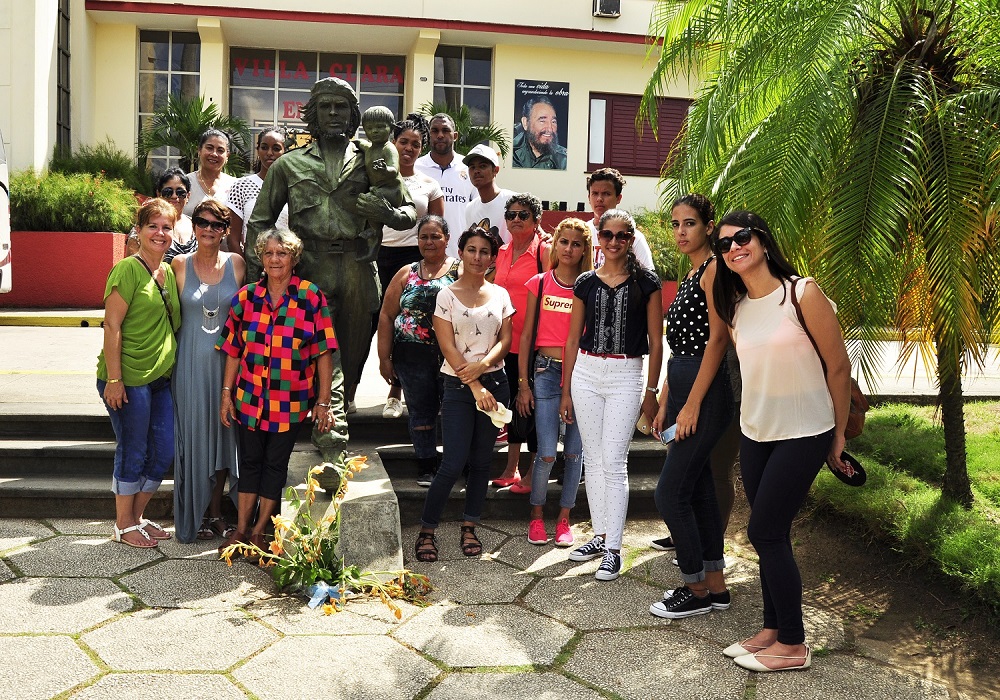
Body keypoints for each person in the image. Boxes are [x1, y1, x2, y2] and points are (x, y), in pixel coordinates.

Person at [246, 77, 416, 479]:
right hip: (310, 268)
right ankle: (332, 447)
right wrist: (261, 281)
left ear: (354, 115)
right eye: (326, 106)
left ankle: (330, 420)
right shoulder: (289, 165)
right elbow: (259, 222)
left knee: (351, 361)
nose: (334, 113)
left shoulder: (374, 158)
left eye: (342, 107)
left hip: (359, 268)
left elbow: (408, 211)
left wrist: (386, 214)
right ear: (314, 114)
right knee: (326, 356)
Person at [712, 211, 852, 672]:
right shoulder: (737, 308)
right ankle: (772, 629)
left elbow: (838, 367)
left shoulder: (801, 293)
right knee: (773, 534)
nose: (734, 247)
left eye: (741, 237)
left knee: (765, 531)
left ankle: (793, 644)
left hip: (805, 430)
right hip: (756, 432)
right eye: (724, 245)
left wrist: (837, 434)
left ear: (763, 240)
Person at [217, 229, 337, 554]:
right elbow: (233, 350)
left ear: (294, 258)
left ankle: (260, 531)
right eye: (269, 253)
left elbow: (324, 352)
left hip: (290, 401)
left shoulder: (310, 296)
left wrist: (324, 402)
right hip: (249, 398)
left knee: (275, 465)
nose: (275, 259)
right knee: (249, 462)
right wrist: (226, 393)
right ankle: (241, 529)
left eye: (282, 253)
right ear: (260, 258)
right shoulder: (246, 298)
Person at [560, 209, 663, 581]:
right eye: (608, 235)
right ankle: (600, 535)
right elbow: (572, 338)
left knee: (614, 462)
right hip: (586, 373)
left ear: (631, 240)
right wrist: (566, 390)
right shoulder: (585, 281)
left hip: (626, 374)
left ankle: (614, 550)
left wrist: (651, 390)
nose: (614, 242)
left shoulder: (647, 282)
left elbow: (656, 341)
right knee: (593, 459)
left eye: (622, 236)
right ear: (599, 238)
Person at [648, 194, 733, 619]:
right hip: (683, 383)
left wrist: (692, 405)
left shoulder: (714, 269)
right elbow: (679, 346)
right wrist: (668, 400)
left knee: (669, 494)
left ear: (709, 227)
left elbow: (718, 339)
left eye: (690, 223)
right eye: (676, 223)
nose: (680, 231)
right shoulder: (691, 272)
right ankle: (715, 587)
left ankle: (694, 588)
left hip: (706, 390)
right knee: (698, 490)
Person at [414, 225, 513, 563]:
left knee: (482, 462)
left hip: (496, 384)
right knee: (453, 462)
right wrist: (474, 384)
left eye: (484, 251)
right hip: (458, 385)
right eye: (472, 250)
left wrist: (483, 367)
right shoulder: (446, 295)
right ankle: (427, 530)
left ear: (492, 258)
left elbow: (505, 340)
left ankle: (470, 526)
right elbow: (447, 346)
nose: (477, 257)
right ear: (461, 252)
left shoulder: (500, 294)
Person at [97, 198, 181, 548]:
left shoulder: (169, 272)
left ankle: (137, 517)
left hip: (160, 378)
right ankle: (123, 524)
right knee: (133, 448)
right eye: (153, 226)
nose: (160, 233)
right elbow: (112, 325)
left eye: (166, 227)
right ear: (139, 230)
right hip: (127, 377)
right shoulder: (127, 270)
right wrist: (114, 380)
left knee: (163, 451)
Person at [170, 199, 245, 543]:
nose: (209, 229)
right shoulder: (178, 265)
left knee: (224, 440)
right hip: (189, 366)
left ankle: (216, 514)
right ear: (194, 225)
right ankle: (195, 512)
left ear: (226, 230)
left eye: (217, 224)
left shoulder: (237, 264)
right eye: (203, 222)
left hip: (227, 367)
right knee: (194, 440)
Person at [517, 217, 592, 546]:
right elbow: (526, 336)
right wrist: (523, 384)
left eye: (576, 244)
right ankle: (536, 516)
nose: (569, 249)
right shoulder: (540, 282)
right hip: (546, 373)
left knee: (574, 454)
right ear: (555, 244)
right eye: (564, 241)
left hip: (582, 374)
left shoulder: (589, 286)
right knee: (546, 452)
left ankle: (564, 519)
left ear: (584, 249)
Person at [377, 215, 458, 486]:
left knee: (455, 412)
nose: (429, 242)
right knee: (421, 413)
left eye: (435, 236)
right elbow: (387, 315)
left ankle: (456, 464)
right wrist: (384, 358)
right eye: (424, 237)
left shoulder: (460, 270)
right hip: (410, 356)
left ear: (447, 239)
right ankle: (426, 464)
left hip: (452, 356)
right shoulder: (406, 273)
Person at [376, 113, 445, 420]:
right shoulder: (376, 177)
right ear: (393, 143)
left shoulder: (429, 185)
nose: (409, 148)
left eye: (415, 144)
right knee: (370, 323)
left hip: (411, 260)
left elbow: (436, 227)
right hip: (376, 256)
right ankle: (348, 392)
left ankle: (395, 393)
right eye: (403, 141)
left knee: (408, 326)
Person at [490, 193, 551, 492]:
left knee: (536, 408)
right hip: (507, 344)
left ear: (536, 220)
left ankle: (532, 474)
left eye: (523, 215)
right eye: (511, 214)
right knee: (514, 405)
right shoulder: (502, 252)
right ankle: (511, 467)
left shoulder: (545, 251)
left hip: (537, 344)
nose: (516, 219)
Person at [414, 113, 477, 257]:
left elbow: (478, 211)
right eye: (435, 131)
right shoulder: (416, 167)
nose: (440, 135)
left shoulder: (469, 168)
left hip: (460, 255)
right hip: (422, 255)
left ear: (455, 136)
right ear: (428, 135)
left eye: (445, 130)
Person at [224, 128, 289, 255]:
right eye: (264, 147)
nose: (269, 153)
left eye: (276, 148)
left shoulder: (293, 187)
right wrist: (243, 264)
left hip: (286, 261)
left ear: (285, 151)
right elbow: (232, 238)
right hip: (251, 262)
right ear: (258, 149)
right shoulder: (241, 186)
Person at [358, 105, 404, 262]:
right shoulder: (370, 148)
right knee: (365, 203)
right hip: (378, 189)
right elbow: (361, 144)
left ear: (391, 128)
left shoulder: (388, 148)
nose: (374, 131)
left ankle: (374, 235)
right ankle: (372, 235)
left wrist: (385, 169)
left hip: (392, 190)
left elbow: (394, 169)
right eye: (369, 128)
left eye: (380, 127)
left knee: (370, 203)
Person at [585, 168, 654, 271]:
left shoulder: (632, 237)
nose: (599, 199)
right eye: (595, 193)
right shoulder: (582, 233)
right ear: (589, 198)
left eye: (606, 194)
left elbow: (649, 275)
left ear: (618, 198)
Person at [126, 168, 194, 262]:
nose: (174, 196)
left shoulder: (199, 225)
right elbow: (133, 263)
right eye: (168, 192)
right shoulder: (145, 225)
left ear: (188, 196)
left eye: (180, 192)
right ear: (159, 194)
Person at [464, 144, 514, 246]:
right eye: (472, 167)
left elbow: (536, 233)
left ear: (496, 170)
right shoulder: (470, 208)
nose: (476, 171)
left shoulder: (513, 201)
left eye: (482, 166)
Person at [184, 129, 236, 217]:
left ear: (227, 155)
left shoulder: (235, 186)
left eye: (220, 150)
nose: (214, 154)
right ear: (199, 150)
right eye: (209, 148)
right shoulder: (185, 183)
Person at [512, 96, 567, 170]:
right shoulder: (510, 152)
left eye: (553, 122)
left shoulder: (564, 159)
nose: (550, 129)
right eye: (542, 121)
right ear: (525, 123)